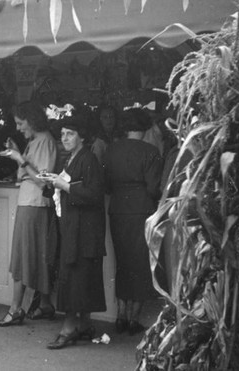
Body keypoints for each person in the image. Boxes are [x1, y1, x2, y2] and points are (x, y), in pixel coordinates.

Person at [45, 112, 107, 349]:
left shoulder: (88, 159)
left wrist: (64, 185)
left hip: (83, 231)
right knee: (80, 277)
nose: (65, 138)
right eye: (62, 134)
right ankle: (82, 325)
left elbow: (94, 195)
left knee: (75, 277)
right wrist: (55, 181)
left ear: (82, 137)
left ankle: (69, 329)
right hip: (75, 229)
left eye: (70, 134)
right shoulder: (72, 158)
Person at [0, 101, 57, 327]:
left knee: (23, 257)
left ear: (32, 119)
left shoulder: (44, 141)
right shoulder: (39, 140)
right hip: (33, 204)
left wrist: (20, 159)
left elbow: (43, 180)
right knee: (38, 255)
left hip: (33, 205)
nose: (18, 128)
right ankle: (45, 304)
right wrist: (19, 154)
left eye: (21, 123)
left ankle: (15, 309)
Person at [104, 108, 164, 335]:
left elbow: (107, 186)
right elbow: (153, 187)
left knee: (123, 262)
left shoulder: (111, 150)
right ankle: (133, 319)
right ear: (146, 127)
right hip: (141, 210)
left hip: (118, 208)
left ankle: (120, 315)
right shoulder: (151, 151)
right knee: (140, 263)